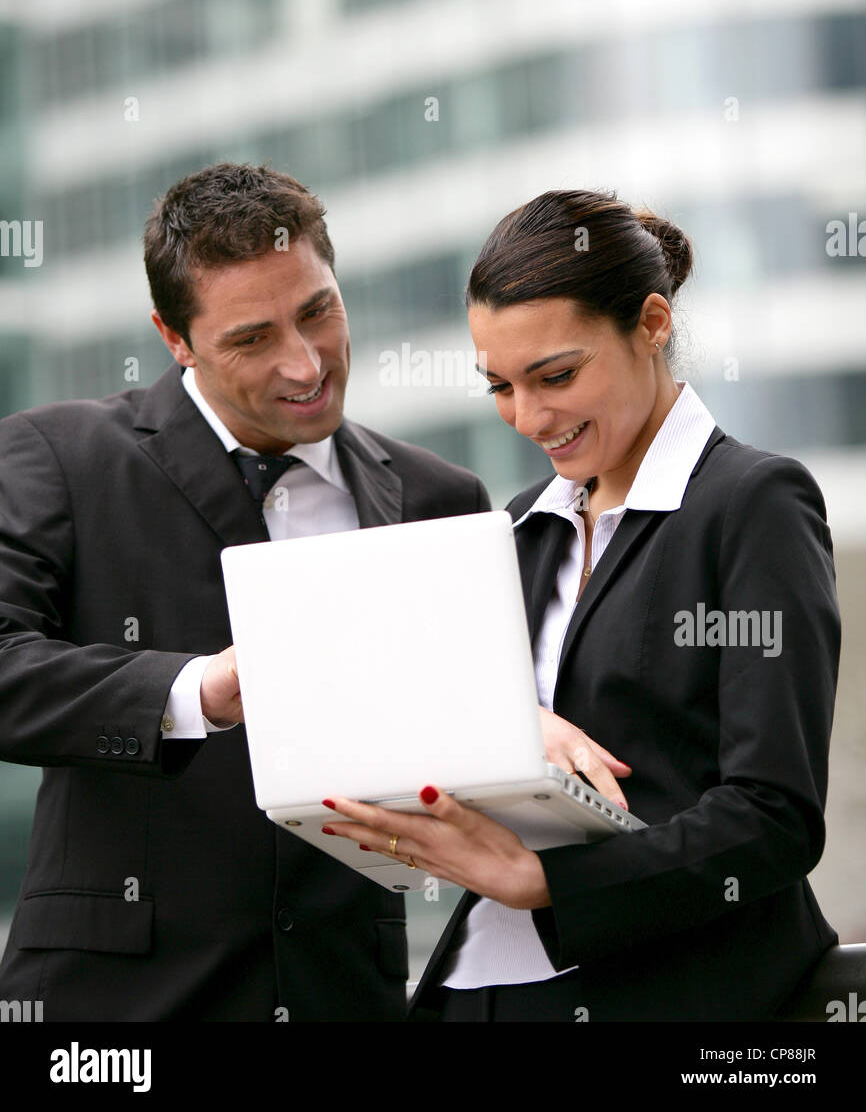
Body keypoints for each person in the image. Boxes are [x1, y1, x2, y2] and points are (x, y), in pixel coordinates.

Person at [323, 189, 842, 1022]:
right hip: (474, 989)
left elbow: (774, 816)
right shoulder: (516, 529)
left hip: (665, 987)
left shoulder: (752, 503)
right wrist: (505, 726)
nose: (528, 417)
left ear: (651, 324)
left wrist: (548, 882)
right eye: (499, 386)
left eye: (556, 376)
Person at [0, 162, 490, 1022]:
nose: (305, 365)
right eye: (251, 338)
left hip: (344, 994)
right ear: (173, 337)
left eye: (318, 312)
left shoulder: (439, 497)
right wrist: (197, 692)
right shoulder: (57, 456)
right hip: (115, 1007)